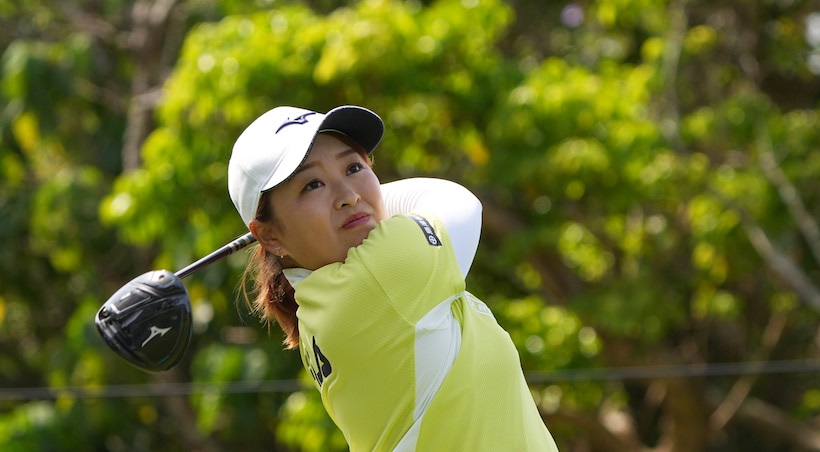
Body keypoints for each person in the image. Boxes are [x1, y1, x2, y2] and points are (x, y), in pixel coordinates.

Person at [228, 105, 559, 451]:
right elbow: (459, 201)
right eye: (313, 185)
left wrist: (346, 204)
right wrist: (366, 200)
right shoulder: (377, 279)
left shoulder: (317, 303)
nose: (349, 196)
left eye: (354, 167)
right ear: (269, 236)